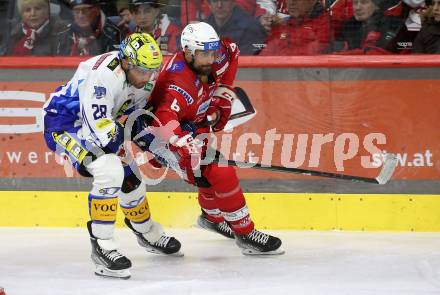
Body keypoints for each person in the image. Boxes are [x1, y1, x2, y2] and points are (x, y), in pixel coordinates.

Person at [42, 32, 182, 279]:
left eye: (153, 70)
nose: (148, 77)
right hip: (64, 125)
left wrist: (164, 148)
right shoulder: (103, 78)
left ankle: (147, 231)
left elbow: (137, 122)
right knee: (110, 169)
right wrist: (150, 146)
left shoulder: (142, 76)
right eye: (142, 70)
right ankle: (102, 245)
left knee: (131, 180)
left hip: (98, 124)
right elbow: (104, 135)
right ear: (126, 62)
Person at [142, 22, 284, 255]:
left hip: (192, 123)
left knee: (207, 173)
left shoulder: (219, 55)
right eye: (203, 54)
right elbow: (163, 120)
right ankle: (246, 233)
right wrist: (183, 145)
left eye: (212, 52)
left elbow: (232, 52)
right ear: (188, 52)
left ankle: (211, 218)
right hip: (163, 137)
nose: (210, 59)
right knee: (220, 171)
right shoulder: (176, 82)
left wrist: (221, 99)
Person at [331, 0, 406, 54]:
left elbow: (379, 54)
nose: (358, 8)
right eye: (355, 3)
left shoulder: (393, 25)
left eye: (364, 2)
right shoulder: (348, 26)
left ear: (377, 6)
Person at [259, 0, 331, 55]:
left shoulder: (325, 24)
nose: (291, 3)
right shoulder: (283, 25)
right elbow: (265, 54)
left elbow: (310, 57)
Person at [55, 0, 120, 56]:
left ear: (96, 10)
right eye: (76, 11)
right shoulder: (64, 35)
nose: (81, 16)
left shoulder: (112, 34)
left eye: (85, 10)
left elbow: (115, 65)